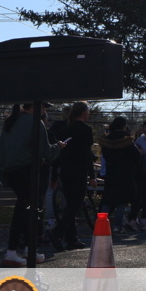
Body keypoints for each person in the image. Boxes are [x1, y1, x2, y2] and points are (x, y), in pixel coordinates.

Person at [0, 104, 66, 266]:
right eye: (43, 107)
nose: (44, 111)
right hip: (29, 171)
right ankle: (13, 251)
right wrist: (58, 147)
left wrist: (4, 175)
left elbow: (0, 152)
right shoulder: (35, 123)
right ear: (35, 106)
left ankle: (28, 250)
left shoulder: (11, 122)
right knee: (27, 211)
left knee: (26, 209)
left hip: (11, 171)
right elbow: (46, 152)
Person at [52, 101, 94, 251]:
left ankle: (71, 238)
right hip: (79, 170)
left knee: (70, 204)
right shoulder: (85, 130)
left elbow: (58, 153)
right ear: (83, 113)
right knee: (76, 204)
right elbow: (87, 154)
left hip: (65, 170)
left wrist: (54, 175)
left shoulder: (65, 128)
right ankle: (58, 232)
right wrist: (92, 175)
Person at [98, 116, 141, 234]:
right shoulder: (127, 141)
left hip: (111, 173)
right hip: (125, 173)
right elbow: (136, 156)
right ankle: (118, 226)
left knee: (108, 200)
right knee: (121, 201)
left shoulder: (107, 141)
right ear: (124, 126)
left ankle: (100, 222)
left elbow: (105, 155)